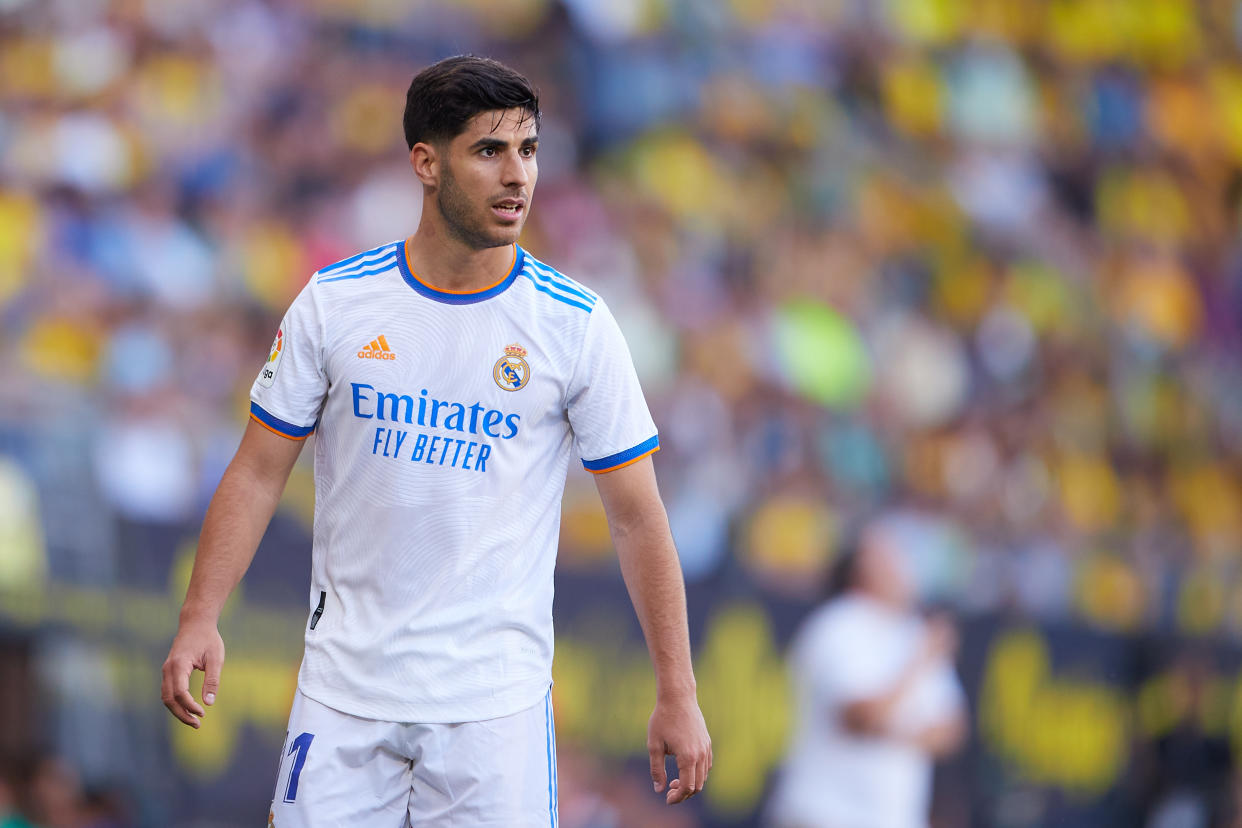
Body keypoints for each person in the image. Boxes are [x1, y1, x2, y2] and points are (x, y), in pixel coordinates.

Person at [160, 55, 711, 826]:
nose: (518, 174)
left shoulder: (575, 325)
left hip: (494, 707)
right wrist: (199, 615)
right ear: (426, 162)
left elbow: (637, 517)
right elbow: (257, 472)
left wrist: (677, 693)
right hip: (344, 693)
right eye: (489, 151)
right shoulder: (336, 303)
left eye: (529, 150)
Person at [765, 520, 966, 828]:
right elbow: (860, 718)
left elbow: (951, 730)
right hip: (821, 815)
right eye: (892, 555)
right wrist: (919, 663)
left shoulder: (914, 632)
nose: (906, 565)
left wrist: (892, 730)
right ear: (863, 567)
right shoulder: (839, 625)